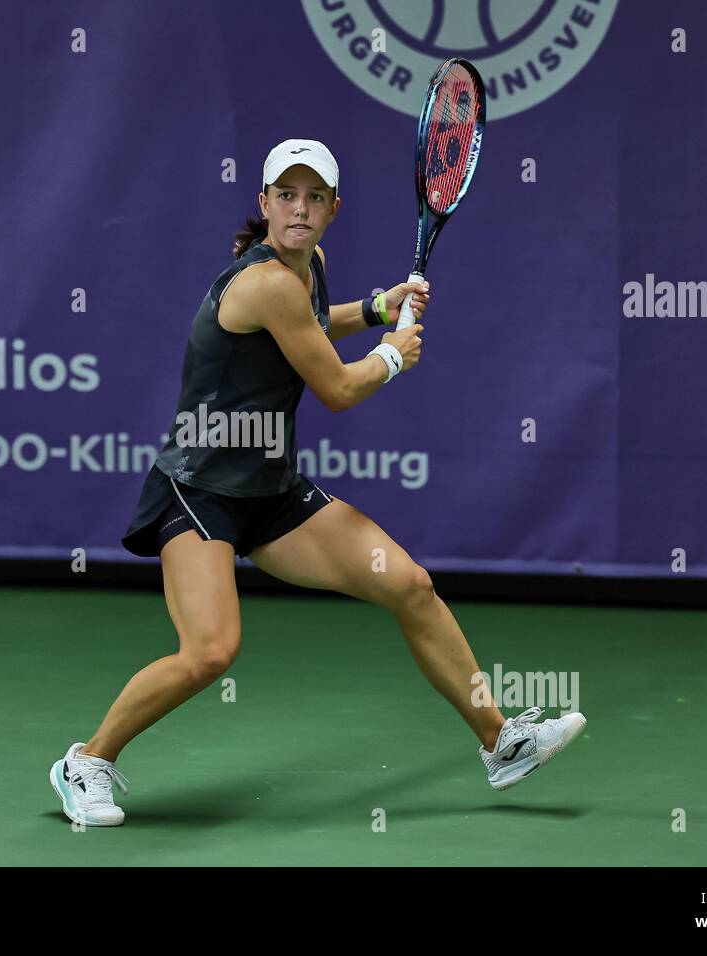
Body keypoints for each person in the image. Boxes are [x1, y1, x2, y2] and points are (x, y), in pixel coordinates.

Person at [51, 139, 585, 826]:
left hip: (270, 490)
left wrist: (373, 308)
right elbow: (335, 386)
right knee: (210, 651)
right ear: (265, 202)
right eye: (285, 195)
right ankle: (85, 761)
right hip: (200, 488)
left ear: (333, 209)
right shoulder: (266, 281)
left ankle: (501, 741)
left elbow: (305, 326)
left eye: (313, 197)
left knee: (409, 585)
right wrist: (392, 355)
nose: (299, 209)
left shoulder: (309, 269)